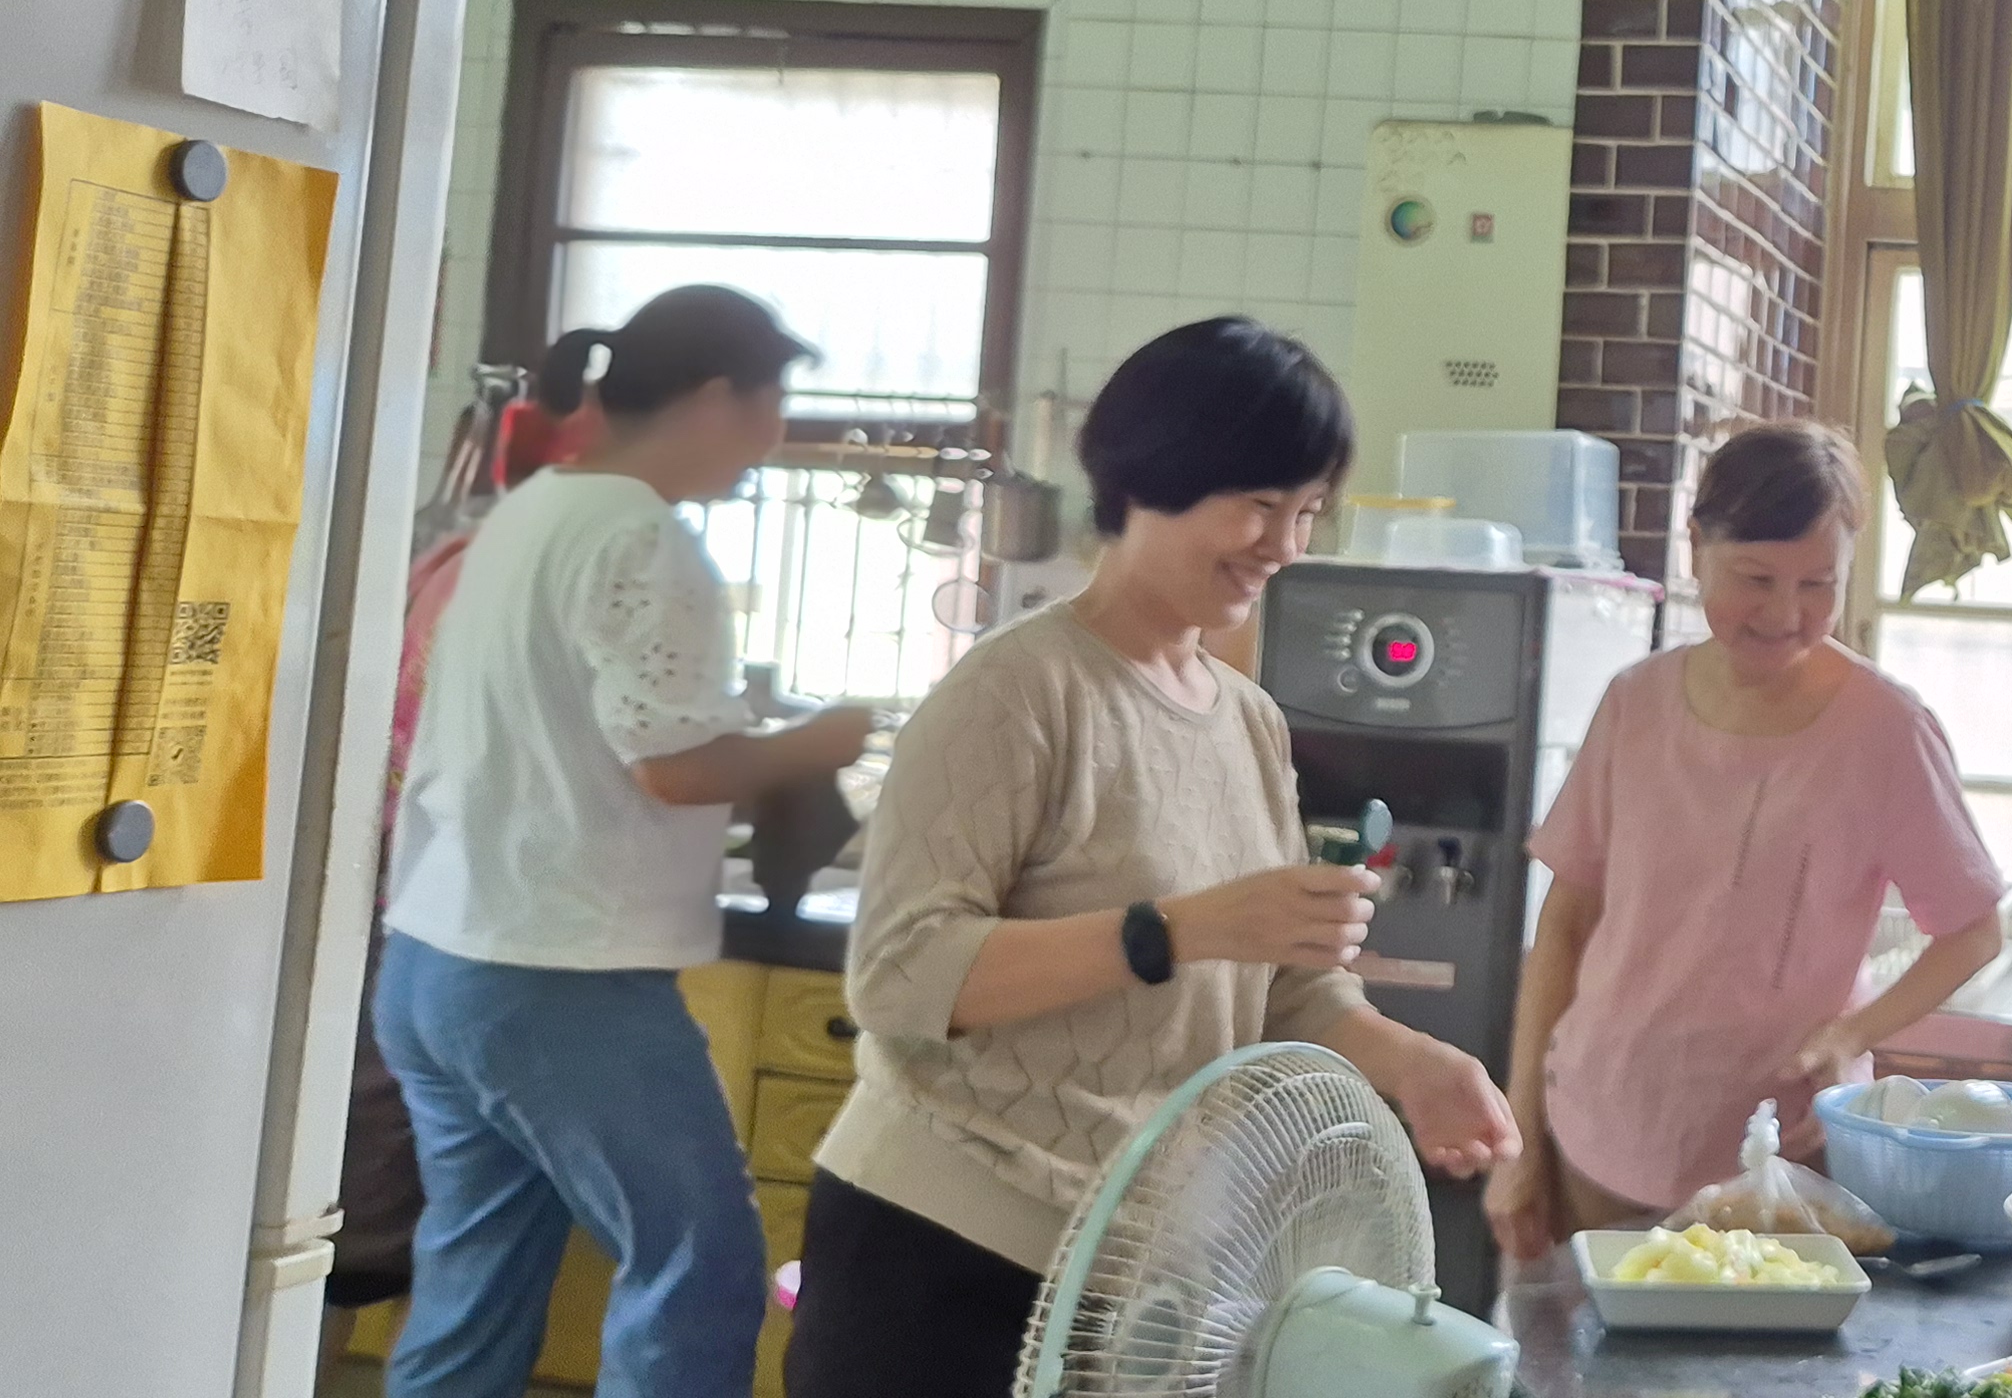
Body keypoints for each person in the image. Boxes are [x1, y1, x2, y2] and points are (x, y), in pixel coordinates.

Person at [789, 316, 1517, 1396]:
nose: (1287, 544)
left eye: (1307, 511)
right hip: (936, 1248)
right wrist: (1180, 930)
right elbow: (899, 976)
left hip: (1121, 1269)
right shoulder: (1018, 691)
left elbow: (1285, 992)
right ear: (1152, 477)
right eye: (1260, 503)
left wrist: (1411, 1063)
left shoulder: (1246, 720)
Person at [375, 287, 875, 1398]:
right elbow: (674, 767)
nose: (772, 437)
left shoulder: (529, 514)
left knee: (475, 1288)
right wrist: (823, 740)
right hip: (558, 978)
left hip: (436, 962)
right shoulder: (645, 536)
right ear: (716, 398)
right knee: (698, 1268)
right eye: (772, 406)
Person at [1485, 420, 2010, 1255]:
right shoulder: (1635, 703)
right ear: (1697, 546)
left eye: (1818, 584)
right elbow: (1564, 926)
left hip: (1783, 1158)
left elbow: (1974, 930)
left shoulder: (1887, 729)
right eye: (1756, 579)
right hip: (1600, 1129)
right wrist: (1519, 1139)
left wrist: (1851, 1035)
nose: (1786, 614)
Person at [324, 371, 604, 1370]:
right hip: (467, 940)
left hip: (385, 918)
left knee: (351, 1232)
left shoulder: (450, 560)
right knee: (448, 1243)